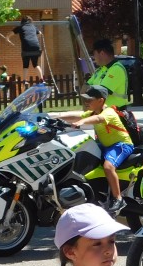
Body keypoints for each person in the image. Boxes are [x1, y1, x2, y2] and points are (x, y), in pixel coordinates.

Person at [54, 85, 134, 216]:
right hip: (105, 145)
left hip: (121, 145)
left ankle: (118, 199)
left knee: (108, 167)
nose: (86, 102)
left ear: (101, 101)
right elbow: (77, 115)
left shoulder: (108, 112)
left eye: (90, 99)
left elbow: (97, 120)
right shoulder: (93, 112)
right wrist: (56, 116)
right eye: (85, 99)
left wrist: (82, 122)